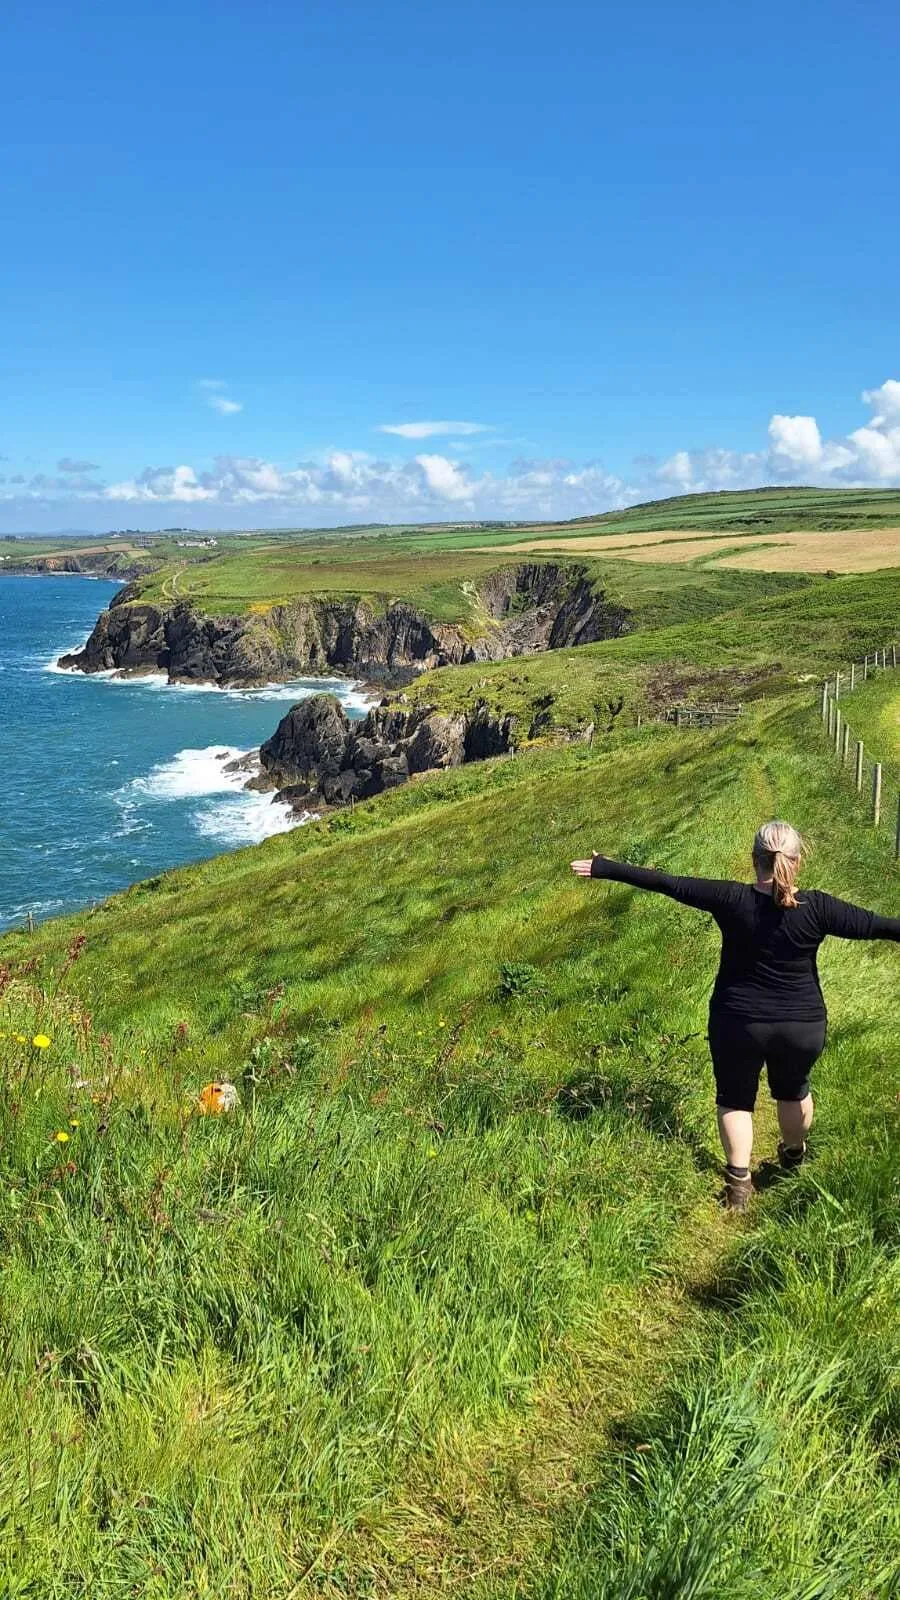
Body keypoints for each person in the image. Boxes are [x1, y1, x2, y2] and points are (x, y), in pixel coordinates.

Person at [570, 820, 900, 1211]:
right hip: (802, 1025)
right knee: (794, 1090)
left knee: (735, 1100)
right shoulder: (820, 908)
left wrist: (607, 867)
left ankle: (738, 1185)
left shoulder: (731, 898)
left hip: (737, 1021)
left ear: (754, 860)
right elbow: (878, 926)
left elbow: (669, 883)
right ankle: (793, 1157)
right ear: (797, 862)